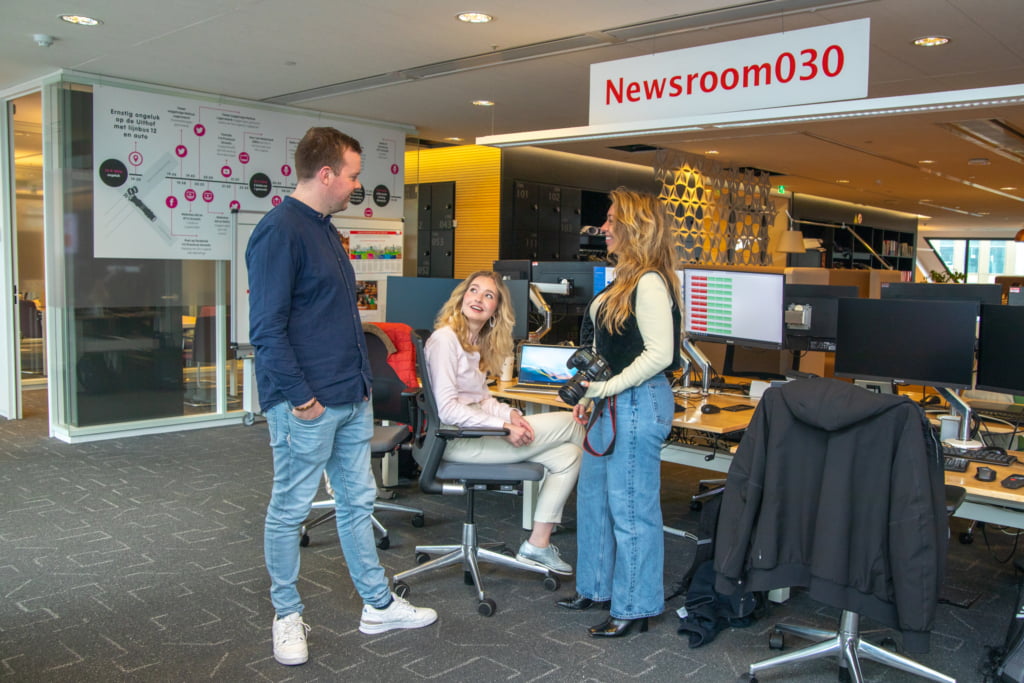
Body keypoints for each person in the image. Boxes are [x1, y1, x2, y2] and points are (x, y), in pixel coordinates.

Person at [246, 127, 436, 667]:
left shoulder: (325, 230)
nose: (358, 184)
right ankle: (286, 616)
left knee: (358, 502)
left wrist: (359, 390)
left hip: (350, 397)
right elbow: (266, 329)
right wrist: (300, 397)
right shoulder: (279, 231)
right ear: (326, 173)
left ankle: (377, 604)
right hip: (308, 402)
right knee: (289, 510)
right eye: (353, 174)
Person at [556, 187, 682, 637]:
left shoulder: (648, 281)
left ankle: (634, 605)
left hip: (637, 400)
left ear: (634, 226)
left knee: (630, 508)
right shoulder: (624, 279)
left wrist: (604, 387)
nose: (603, 228)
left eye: (611, 220)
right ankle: (595, 587)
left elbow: (659, 355)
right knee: (594, 501)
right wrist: (592, 396)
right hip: (609, 401)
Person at [424, 271, 584, 574]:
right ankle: (601, 518)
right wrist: (503, 428)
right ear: (462, 297)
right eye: (474, 290)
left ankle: (537, 546)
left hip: (476, 433)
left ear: (496, 309)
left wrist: (510, 416)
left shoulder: (472, 341)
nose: (478, 298)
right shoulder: (446, 340)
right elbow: (447, 410)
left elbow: (481, 399)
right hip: (459, 441)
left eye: (489, 295)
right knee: (572, 423)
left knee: (569, 456)